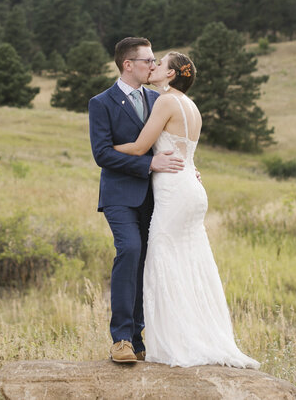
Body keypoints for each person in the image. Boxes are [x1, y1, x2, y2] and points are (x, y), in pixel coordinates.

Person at [113, 51, 260, 369]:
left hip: (174, 191)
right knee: (192, 263)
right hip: (190, 187)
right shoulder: (190, 106)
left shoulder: (165, 101)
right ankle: (201, 335)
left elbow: (140, 147)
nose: (153, 67)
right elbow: (183, 151)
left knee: (163, 261)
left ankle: (178, 344)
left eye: (160, 64)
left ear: (171, 74)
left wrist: (106, 149)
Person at [88, 37, 185, 363]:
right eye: (147, 60)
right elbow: (102, 154)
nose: (153, 65)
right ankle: (122, 340)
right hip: (120, 195)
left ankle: (140, 340)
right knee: (129, 251)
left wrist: (187, 171)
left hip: (158, 195)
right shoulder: (101, 103)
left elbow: (170, 142)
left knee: (148, 261)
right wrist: (148, 164)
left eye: (155, 60)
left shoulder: (160, 99)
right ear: (128, 64)